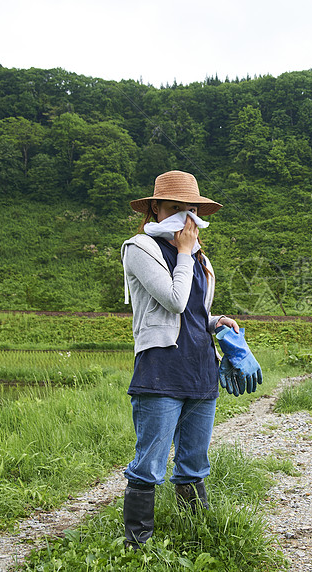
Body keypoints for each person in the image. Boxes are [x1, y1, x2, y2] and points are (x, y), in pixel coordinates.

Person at [119, 170, 241, 549]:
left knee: (193, 462)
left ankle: (198, 535)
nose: (186, 219)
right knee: (149, 464)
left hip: (201, 369)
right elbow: (173, 299)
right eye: (175, 208)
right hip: (161, 371)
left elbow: (191, 312)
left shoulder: (200, 259)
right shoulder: (141, 248)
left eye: (191, 210)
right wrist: (185, 253)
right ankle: (138, 545)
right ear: (156, 208)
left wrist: (216, 320)